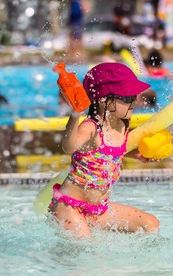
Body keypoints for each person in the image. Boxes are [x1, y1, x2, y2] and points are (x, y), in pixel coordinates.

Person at [48, 62, 160, 238]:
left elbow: (107, 152)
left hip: (98, 209)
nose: (134, 102)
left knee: (151, 225)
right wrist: (75, 115)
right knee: (86, 251)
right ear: (102, 100)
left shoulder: (122, 124)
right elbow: (69, 147)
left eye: (134, 96)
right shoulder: (91, 128)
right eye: (126, 97)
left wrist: (137, 155)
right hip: (69, 206)